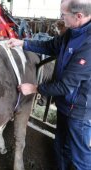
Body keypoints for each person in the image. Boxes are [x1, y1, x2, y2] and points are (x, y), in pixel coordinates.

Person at [7, 0, 91, 170]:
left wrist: (34, 88)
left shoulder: (88, 45)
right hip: (65, 105)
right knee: (60, 147)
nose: (61, 18)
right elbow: (51, 45)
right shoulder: (72, 32)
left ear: (79, 16)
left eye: (63, 14)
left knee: (80, 157)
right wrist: (24, 43)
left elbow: (65, 86)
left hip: (80, 110)